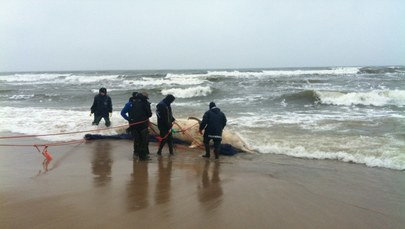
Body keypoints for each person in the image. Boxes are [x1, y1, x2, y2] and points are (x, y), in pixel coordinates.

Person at [121, 92, 152, 160]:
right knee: (144, 140)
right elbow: (149, 114)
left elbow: (122, 113)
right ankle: (143, 155)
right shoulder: (145, 104)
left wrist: (129, 119)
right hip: (143, 125)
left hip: (133, 125)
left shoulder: (130, 104)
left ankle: (136, 152)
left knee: (137, 140)